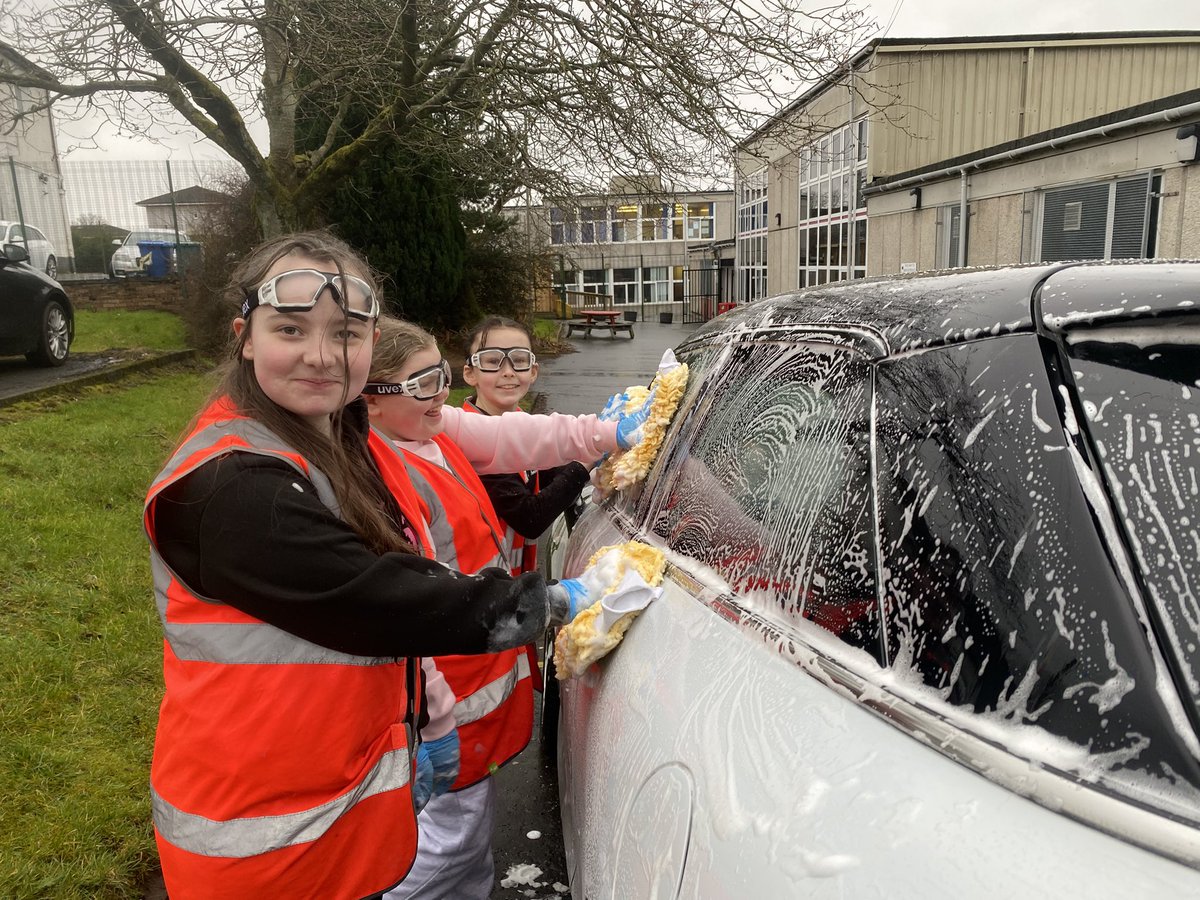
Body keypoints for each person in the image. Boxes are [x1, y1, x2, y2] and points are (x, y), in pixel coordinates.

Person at [142, 231, 626, 900]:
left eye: (344, 333)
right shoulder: (233, 485)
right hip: (260, 839)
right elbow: (377, 599)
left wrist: (426, 716)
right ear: (245, 337)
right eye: (290, 329)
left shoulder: (331, 434)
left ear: (370, 345)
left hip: (322, 803)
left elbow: (494, 442)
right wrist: (556, 602)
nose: (320, 355)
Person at [361, 316, 648, 899]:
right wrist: (431, 716)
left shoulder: (429, 429)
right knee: (446, 847)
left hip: (478, 674)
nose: (441, 394)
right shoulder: (377, 476)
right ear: (367, 400)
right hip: (445, 693)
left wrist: (604, 433)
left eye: (441, 376)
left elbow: (519, 436)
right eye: (422, 384)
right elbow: (411, 604)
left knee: (469, 851)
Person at [460, 316, 592, 576]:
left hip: (512, 580)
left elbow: (544, 471)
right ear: (470, 373)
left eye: (519, 360)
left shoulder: (519, 422)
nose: (508, 371)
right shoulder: (471, 438)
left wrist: (595, 468)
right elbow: (530, 518)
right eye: (492, 361)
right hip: (483, 587)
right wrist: (584, 465)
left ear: (533, 371)